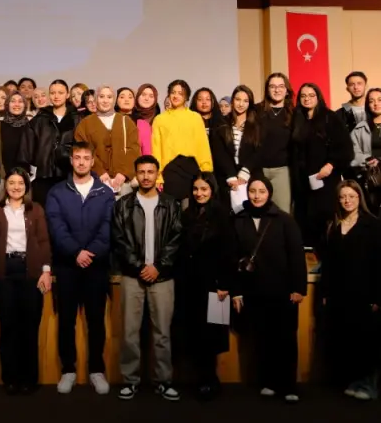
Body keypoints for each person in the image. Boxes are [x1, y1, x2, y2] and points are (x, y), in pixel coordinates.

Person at [46, 142, 115, 395]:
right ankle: (68, 370)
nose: (82, 162)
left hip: (96, 267)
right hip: (67, 266)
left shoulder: (105, 193)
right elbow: (56, 227)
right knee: (66, 321)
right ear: (71, 161)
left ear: (93, 161)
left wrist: (90, 253)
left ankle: (97, 370)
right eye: (77, 158)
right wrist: (76, 252)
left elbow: (108, 228)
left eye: (86, 158)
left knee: (96, 321)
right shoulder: (57, 192)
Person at [111, 155, 181, 400]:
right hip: (133, 277)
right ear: (136, 175)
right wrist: (140, 266)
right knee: (130, 333)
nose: (146, 176)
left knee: (162, 333)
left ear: (157, 174)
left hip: (162, 278)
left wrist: (158, 267)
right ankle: (130, 381)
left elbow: (176, 240)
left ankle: (164, 380)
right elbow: (119, 240)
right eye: (141, 172)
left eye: (151, 172)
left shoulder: (171, 204)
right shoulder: (124, 204)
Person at [233, 176, 306, 402]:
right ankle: (268, 381)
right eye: (253, 191)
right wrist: (236, 290)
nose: (256, 195)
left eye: (261, 191)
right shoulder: (238, 219)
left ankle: (289, 386)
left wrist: (298, 287)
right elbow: (231, 257)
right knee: (261, 339)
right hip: (253, 290)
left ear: (269, 193)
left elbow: (296, 255)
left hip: (282, 290)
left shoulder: (284, 220)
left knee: (285, 339)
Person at [318, 180, 381, 401]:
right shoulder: (332, 225)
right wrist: (325, 293)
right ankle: (353, 381)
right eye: (343, 197)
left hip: (365, 292)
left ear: (360, 198)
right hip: (339, 293)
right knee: (345, 339)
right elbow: (328, 263)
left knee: (366, 341)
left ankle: (369, 385)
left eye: (352, 196)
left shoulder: (374, 225)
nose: (347, 200)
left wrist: (378, 296)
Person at [0, 167, 52, 395]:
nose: (16, 187)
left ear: (26, 187)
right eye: (12, 183)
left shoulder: (35, 210)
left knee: (29, 326)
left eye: (20, 183)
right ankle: (10, 378)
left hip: (31, 271)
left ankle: (29, 378)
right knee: (8, 327)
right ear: (5, 186)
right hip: (5, 271)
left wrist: (46, 270)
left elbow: (43, 241)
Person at [176, 173, 239, 400]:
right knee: (194, 332)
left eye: (203, 189)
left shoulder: (223, 215)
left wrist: (225, 283)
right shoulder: (186, 215)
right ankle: (199, 380)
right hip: (191, 285)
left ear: (212, 190)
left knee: (212, 335)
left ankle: (211, 380)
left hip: (216, 286)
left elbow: (230, 252)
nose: (199, 193)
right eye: (195, 189)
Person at [288, 82, 353, 252]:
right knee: (304, 222)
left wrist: (331, 165)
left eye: (311, 95)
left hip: (325, 180)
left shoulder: (330, 118)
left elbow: (345, 149)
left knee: (325, 222)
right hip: (302, 182)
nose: (307, 99)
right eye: (303, 96)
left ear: (318, 97)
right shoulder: (297, 119)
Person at [151, 79, 213, 201]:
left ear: (186, 97)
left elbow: (202, 145)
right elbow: (156, 148)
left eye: (180, 93)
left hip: (192, 170)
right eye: (173, 92)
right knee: (171, 211)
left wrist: (206, 171)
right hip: (169, 171)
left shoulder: (195, 117)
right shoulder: (159, 119)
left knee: (190, 210)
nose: (176, 96)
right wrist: (158, 176)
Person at [75, 85, 141, 196]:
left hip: (123, 182)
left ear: (114, 100)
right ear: (96, 99)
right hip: (95, 180)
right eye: (101, 96)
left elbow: (134, 149)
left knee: (122, 212)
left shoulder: (126, 121)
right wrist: (100, 172)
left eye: (109, 97)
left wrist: (123, 173)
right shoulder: (85, 124)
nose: (105, 100)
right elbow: (83, 150)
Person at [28, 80, 79, 205]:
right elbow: (30, 148)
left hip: (70, 174)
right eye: (53, 93)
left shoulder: (77, 118)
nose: (56, 96)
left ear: (67, 95)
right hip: (44, 175)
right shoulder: (39, 120)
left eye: (60, 93)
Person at [257, 73, 294, 214]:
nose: (277, 90)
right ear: (267, 89)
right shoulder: (257, 111)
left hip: (282, 171)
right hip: (259, 169)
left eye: (280, 86)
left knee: (282, 213)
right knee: (260, 212)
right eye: (272, 86)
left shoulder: (294, 113)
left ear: (287, 90)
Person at [190, 86, 239, 189]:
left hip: (219, 173)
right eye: (200, 99)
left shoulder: (222, 123)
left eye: (208, 99)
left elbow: (227, 151)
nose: (204, 102)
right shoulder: (189, 122)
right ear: (195, 102)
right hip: (195, 171)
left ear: (213, 102)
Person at [0, 91, 37, 173]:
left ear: (25, 105)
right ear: (7, 105)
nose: (16, 104)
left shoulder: (32, 126)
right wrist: (4, 177)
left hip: (28, 178)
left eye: (20, 101)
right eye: (13, 101)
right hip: (5, 178)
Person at [224, 85, 263, 188]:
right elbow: (220, 152)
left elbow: (259, 150)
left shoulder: (257, 124)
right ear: (232, 101)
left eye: (245, 101)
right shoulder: (223, 123)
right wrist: (231, 175)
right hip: (227, 177)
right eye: (238, 100)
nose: (241, 104)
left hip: (251, 176)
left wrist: (246, 171)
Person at [131, 84, 159, 155]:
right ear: (137, 96)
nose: (146, 98)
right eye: (143, 95)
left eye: (151, 96)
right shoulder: (130, 116)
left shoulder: (159, 118)